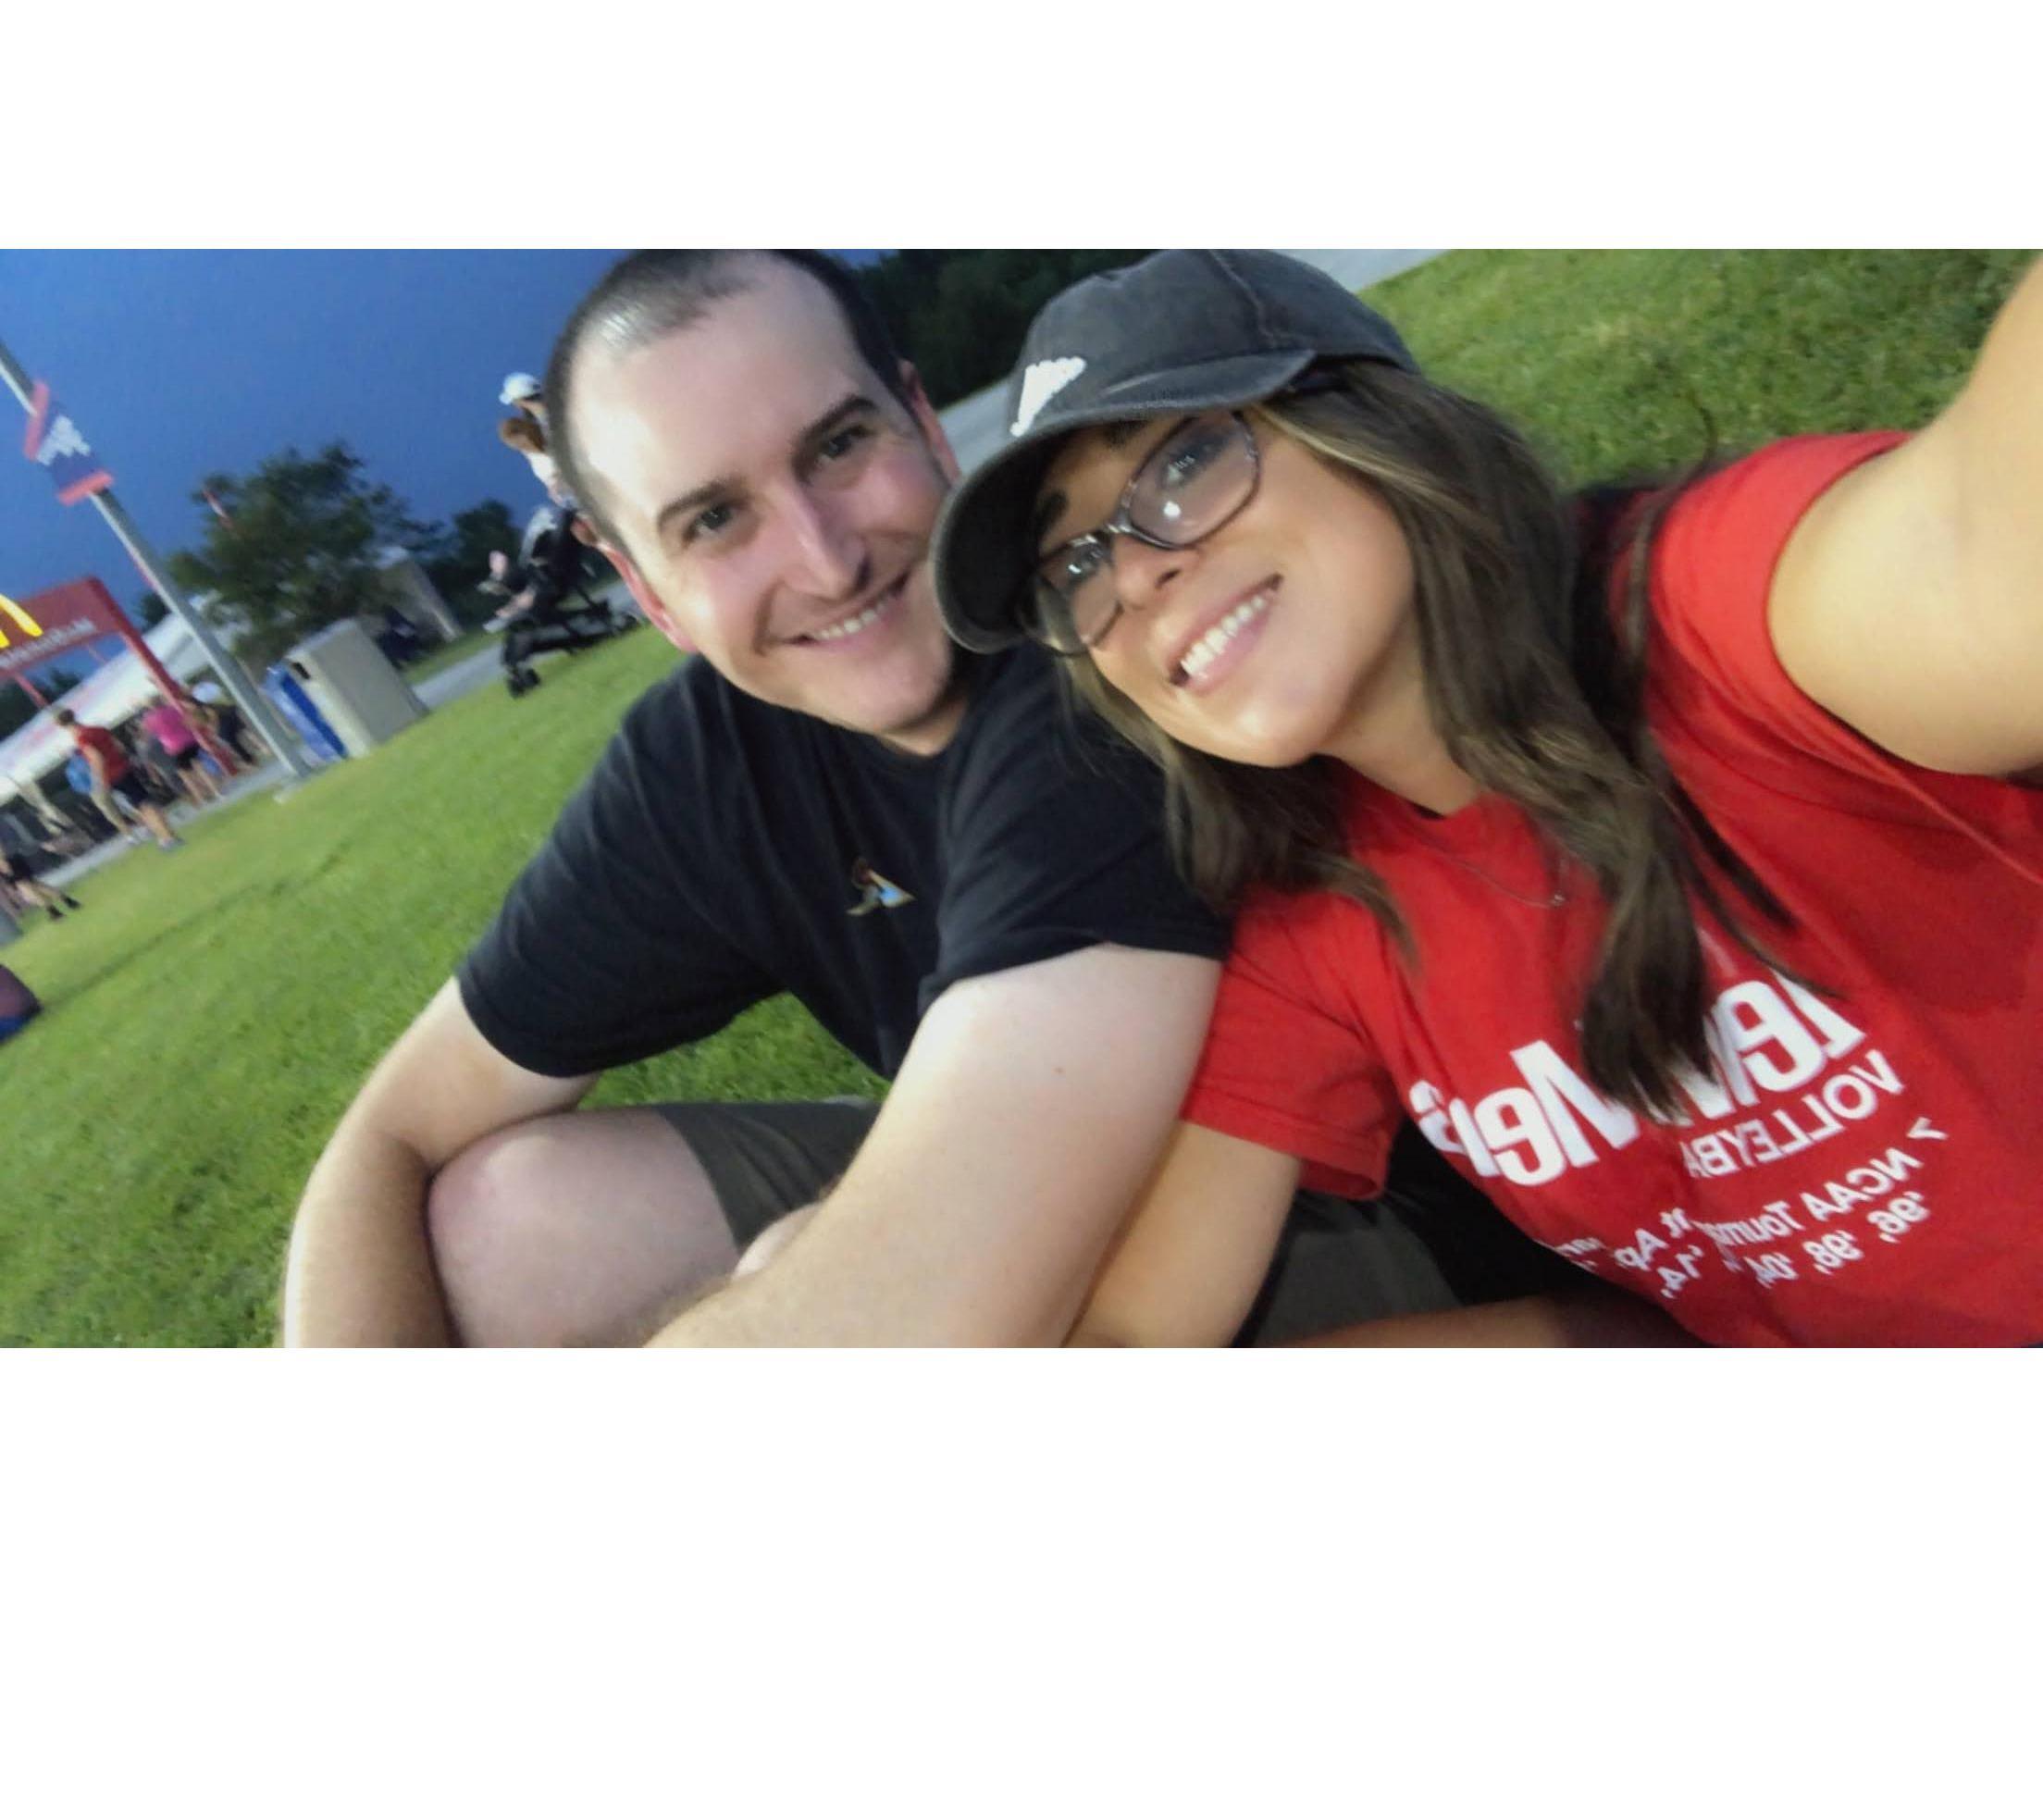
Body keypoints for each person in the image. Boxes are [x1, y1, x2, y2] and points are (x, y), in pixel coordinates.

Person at [284, 248, 1574, 1348]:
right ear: (650, 595)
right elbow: (390, 1138)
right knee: (509, 1217)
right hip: (1075, 1201)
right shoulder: (709, 765)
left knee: (818, 1279)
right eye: (717, 520)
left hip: (1394, 1236)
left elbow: (926, 1320)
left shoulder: (1107, 662)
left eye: (837, 447)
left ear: (920, 420)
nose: (825, 556)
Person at [933, 248, 2043, 1347]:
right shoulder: (1324, 912)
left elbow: (1979, 552)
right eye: (1072, 566)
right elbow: (1131, 1342)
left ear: (1367, 421)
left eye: (1182, 464)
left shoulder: (1716, 616)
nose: (1132, 576)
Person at [53, 710, 180, 849]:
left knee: (141, 806)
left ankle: (165, 837)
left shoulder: (82, 738)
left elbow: (96, 758)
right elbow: (120, 747)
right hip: (124, 768)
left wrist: (98, 780)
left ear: (62, 726)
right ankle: (167, 834)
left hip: (111, 776)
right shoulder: (99, 729)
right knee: (145, 801)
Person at [140, 691, 224, 809]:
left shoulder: (149, 720)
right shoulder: (172, 710)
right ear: (160, 701)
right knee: (199, 767)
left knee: (186, 775)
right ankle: (216, 791)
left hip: (174, 747)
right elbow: (186, 721)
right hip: (189, 740)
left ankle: (201, 798)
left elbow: (146, 735)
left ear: (149, 706)